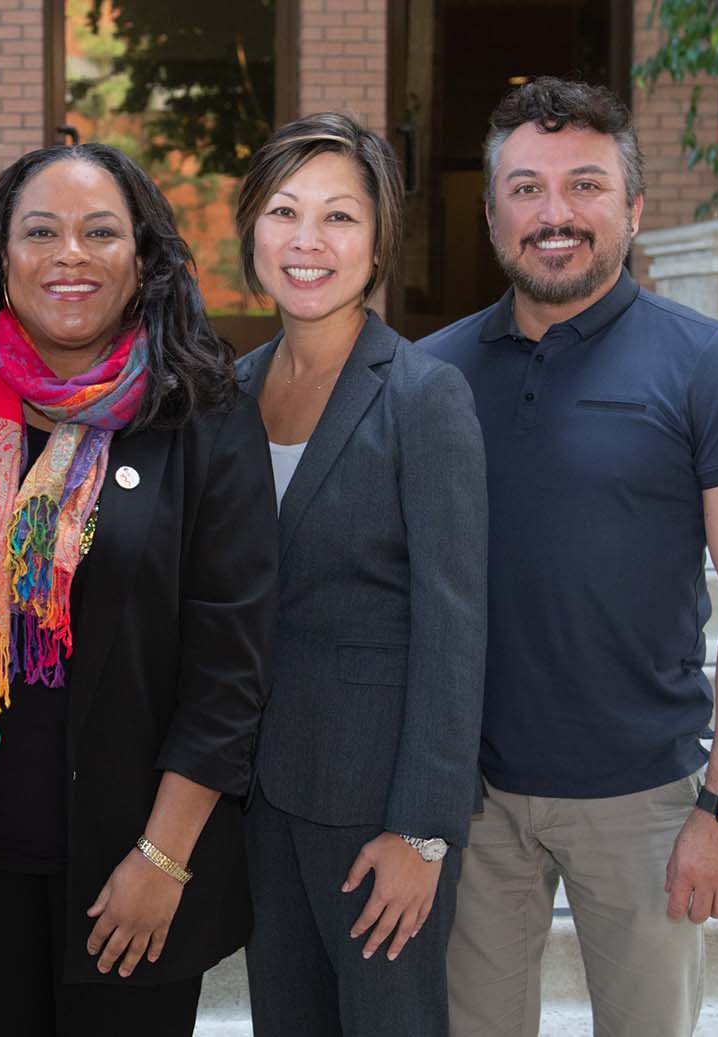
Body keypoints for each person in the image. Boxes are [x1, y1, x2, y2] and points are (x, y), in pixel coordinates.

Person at [0, 142, 277, 1035]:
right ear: (0, 254)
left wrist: (163, 860)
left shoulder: (203, 408)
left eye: (101, 232)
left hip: (132, 867)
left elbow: (231, 664)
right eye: (41, 231)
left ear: (143, 259)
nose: (71, 255)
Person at [423, 77, 718, 1037]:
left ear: (633, 207)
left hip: (645, 802)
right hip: (474, 803)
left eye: (585, 185)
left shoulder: (711, 365)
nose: (555, 215)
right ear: (493, 210)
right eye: (527, 188)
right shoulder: (431, 375)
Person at [231, 112, 488, 1035]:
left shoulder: (424, 394)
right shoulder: (233, 387)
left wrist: (424, 830)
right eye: (285, 211)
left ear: (378, 243)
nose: (307, 241)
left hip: (377, 809)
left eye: (340, 217)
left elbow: (456, 626)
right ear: (252, 228)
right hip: (262, 797)